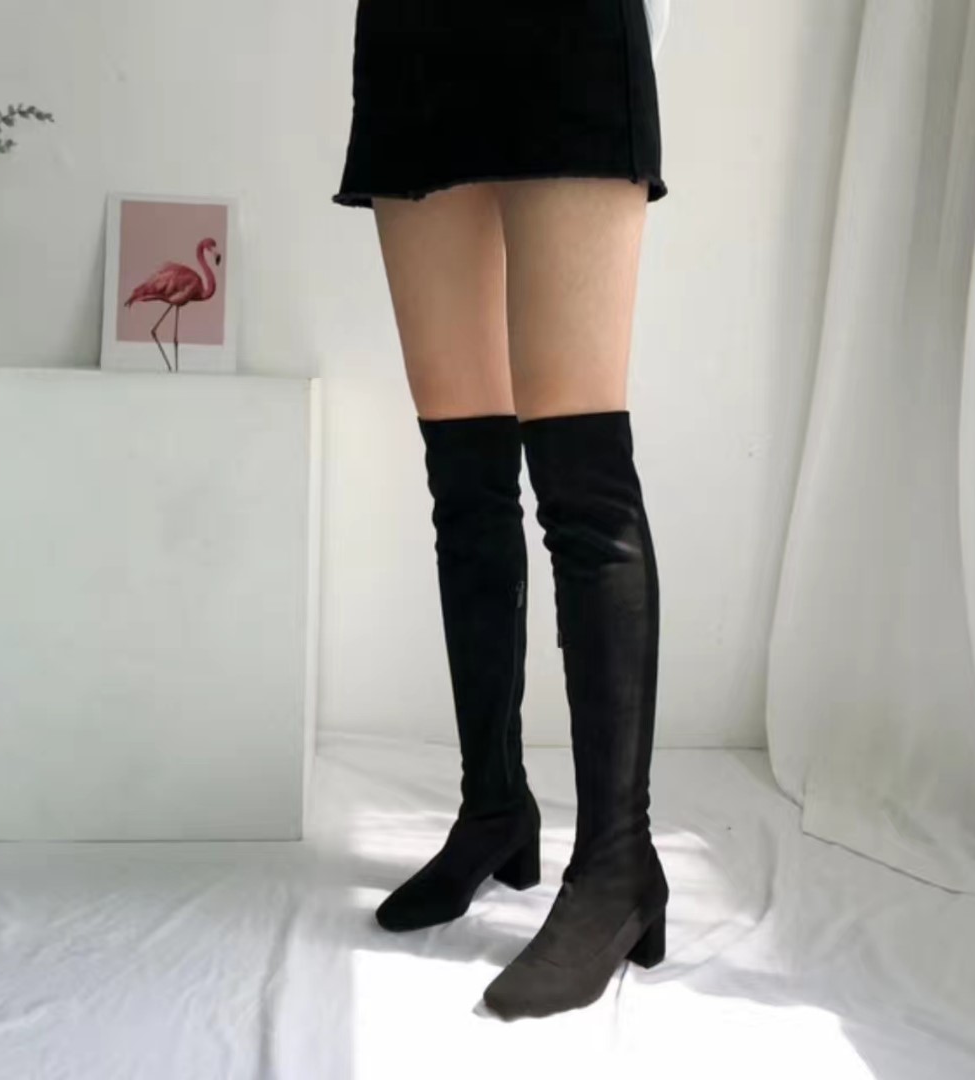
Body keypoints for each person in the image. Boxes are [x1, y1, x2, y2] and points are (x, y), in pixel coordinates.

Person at [332, 0, 669, 1021]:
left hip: (565, 34)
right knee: (464, 478)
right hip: (414, 41)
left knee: (580, 477)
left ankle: (616, 863)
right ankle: (493, 808)